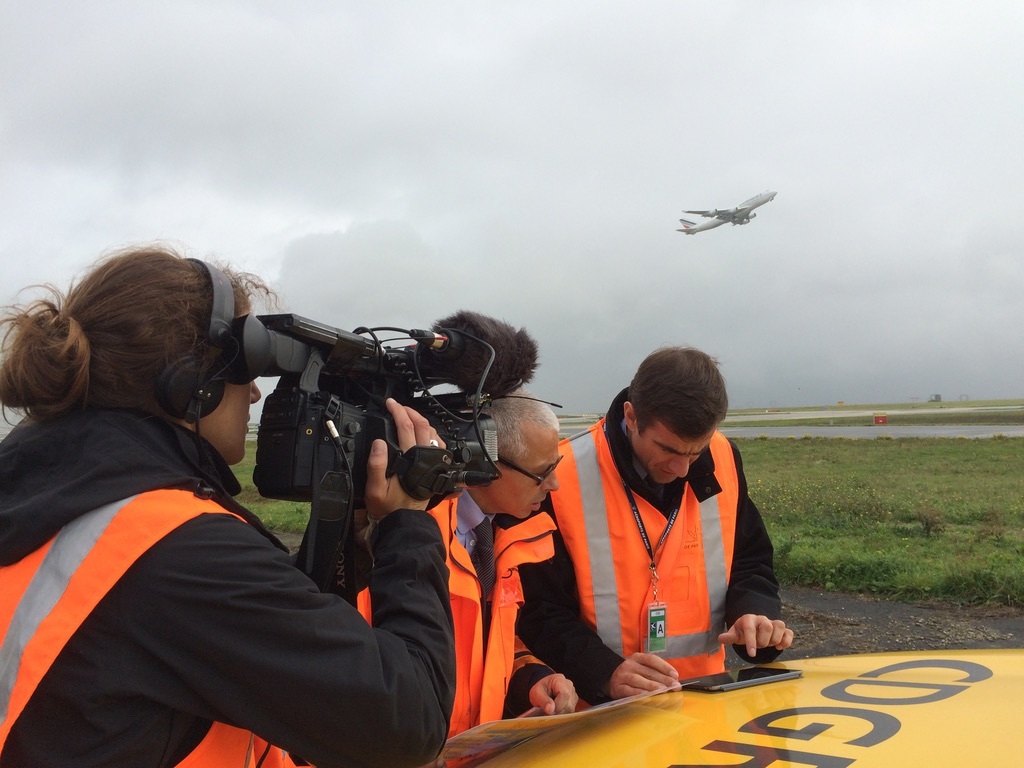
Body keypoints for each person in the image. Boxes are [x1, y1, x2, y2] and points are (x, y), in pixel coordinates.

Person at [0, 245, 455, 767]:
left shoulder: (53, 496)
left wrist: (351, 537)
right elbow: (409, 723)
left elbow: (235, 630)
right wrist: (408, 525)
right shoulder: (174, 549)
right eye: (246, 368)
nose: (256, 396)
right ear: (191, 382)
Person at [516, 346, 793, 705]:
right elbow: (539, 609)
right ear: (631, 417)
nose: (682, 469)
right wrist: (604, 671)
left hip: (706, 701)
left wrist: (755, 614)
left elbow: (750, 560)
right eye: (669, 450)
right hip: (602, 712)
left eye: (696, 452)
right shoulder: (563, 473)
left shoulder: (723, 455)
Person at [383, 389, 578, 738]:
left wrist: (529, 677)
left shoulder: (506, 533)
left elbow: (486, 642)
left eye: (557, 466)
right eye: (542, 472)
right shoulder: (410, 539)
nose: (555, 484)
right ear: (485, 463)